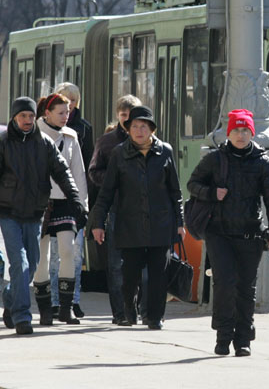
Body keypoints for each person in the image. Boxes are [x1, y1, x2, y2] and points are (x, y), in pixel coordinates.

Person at [187, 109, 269, 357]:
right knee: (225, 283)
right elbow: (193, 184)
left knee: (245, 288)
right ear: (228, 133)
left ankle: (243, 340)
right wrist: (211, 193)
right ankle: (223, 337)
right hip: (219, 234)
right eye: (236, 130)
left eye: (245, 130)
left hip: (250, 234)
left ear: (252, 133)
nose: (240, 135)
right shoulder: (216, 159)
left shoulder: (261, 162)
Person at [90, 105, 185, 330]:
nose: (139, 131)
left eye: (144, 126)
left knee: (158, 275)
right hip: (128, 223)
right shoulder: (119, 153)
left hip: (161, 223)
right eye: (134, 126)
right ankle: (128, 311)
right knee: (130, 274)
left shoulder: (165, 151)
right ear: (128, 129)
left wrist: (180, 222)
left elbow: (175, 192)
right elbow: (107, 192)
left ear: (152, 129)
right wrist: (98, 223)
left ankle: (155, 316)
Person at [0, 97, 86, 335]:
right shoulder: (4, 142)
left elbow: (63, 172)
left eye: (30, 116)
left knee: (31, 264)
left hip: (35, 215)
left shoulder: (44, 142)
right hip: (8, 213)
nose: (27, 121)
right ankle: (22, 317)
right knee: (20, 262)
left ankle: (10, 300)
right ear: (14, 118)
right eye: (22, 116)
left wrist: (76, 200)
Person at [33, 93, 89, 325]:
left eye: (68, 112)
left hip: (65, 201)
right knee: (42, 257)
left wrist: (82, 204)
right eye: (61, 112)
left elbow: (79, 173)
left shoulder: (71, 136)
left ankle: (66, 307)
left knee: (68, 251)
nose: (66, 117)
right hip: (40, 203)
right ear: (47, 113)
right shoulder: (33, 135)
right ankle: (47, 308)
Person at [88, 95, 141, 325]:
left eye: (131, 115)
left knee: (138, 263)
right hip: (115, 208)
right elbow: (93, 170)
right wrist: (112, 181)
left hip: (140, 209)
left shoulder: (148, 141)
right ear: (118, 116)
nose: (128, 120)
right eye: (123, 116)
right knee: (115, 263)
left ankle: (134, 308)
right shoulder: (107, 141)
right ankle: (120, 313)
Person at [49, 82, 94, 319]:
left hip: (72, 200)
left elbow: (84, 169)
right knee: (54, 254)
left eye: (74, 101)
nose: (70, 106)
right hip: (49, 202)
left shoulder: (82, 130)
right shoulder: (43, 130)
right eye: (65, 101)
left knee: (74, 253)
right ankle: (54, 300)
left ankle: (72, 300)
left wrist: (84, 204)